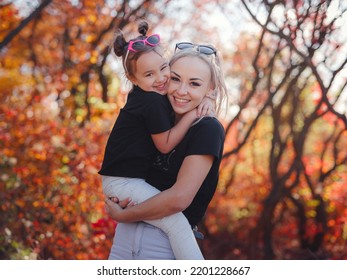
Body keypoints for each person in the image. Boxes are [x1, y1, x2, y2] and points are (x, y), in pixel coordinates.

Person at [99, 21, 215, 260]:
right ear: (133, 78)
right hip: (124, 199)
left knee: (178, 224)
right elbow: (165, 144)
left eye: (164, 70)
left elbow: (179, 199)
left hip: (150, 243)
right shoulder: (152, 102)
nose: (162, 79)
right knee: (176, 225)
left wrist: (207, 101)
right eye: (149, 75)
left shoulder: (152, 101)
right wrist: (193, 112)